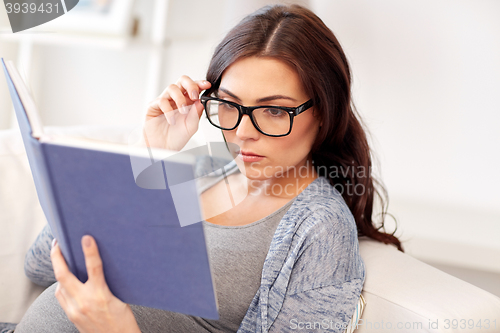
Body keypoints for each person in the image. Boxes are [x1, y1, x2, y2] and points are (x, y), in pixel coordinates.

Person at [6, 3, 403, 333]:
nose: (243, 133)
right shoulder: (202, 167)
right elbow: (42, 263)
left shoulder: (319, 227)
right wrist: (147, 154)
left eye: (273, 110)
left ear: (324, 112)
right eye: (229, 105)